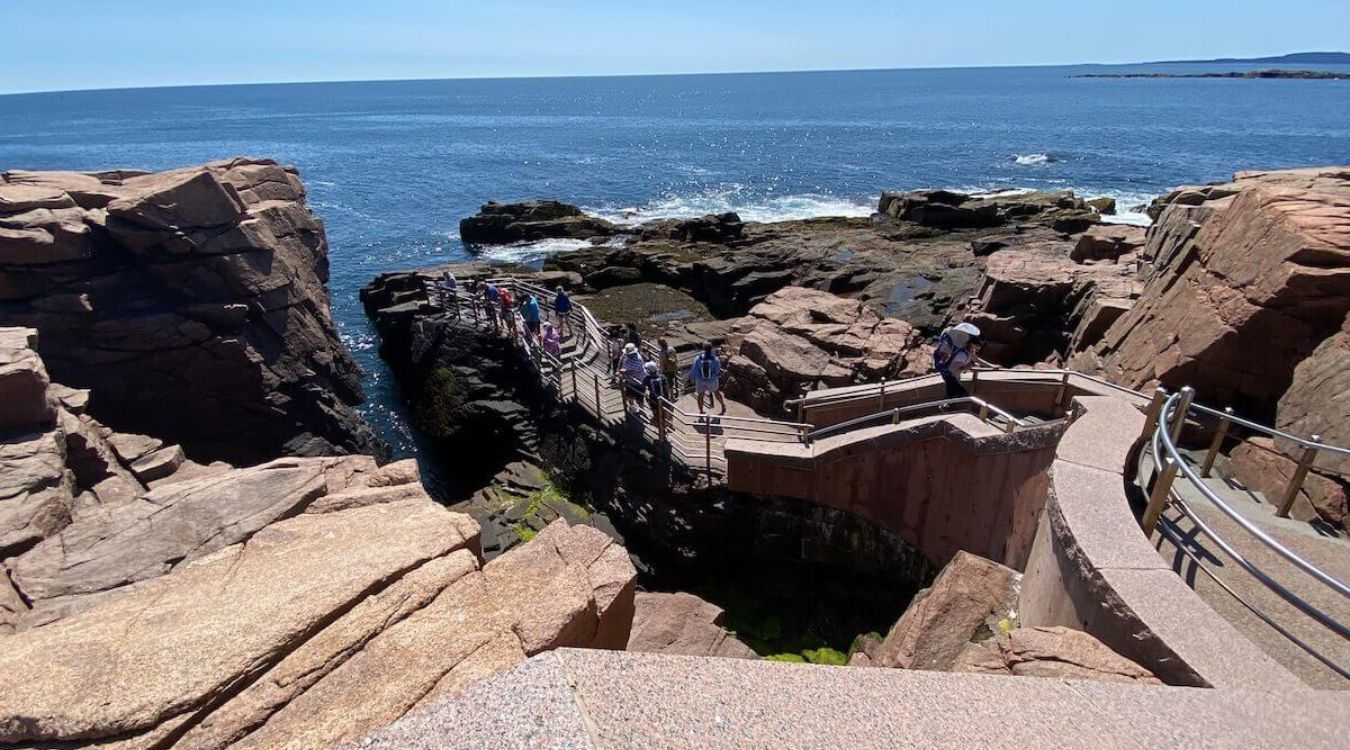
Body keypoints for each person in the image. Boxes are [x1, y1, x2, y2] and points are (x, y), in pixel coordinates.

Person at [933, 322, 982, 400]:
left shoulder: (967, 352)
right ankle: (944, 406)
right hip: (949, 375)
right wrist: (966, 368)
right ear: (972, 344)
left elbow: (976, 359)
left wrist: (992, 366)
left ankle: (945, 405)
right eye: (977, 346)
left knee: (953, 394)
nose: (978, 348)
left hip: (951, 374)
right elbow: (952, 369)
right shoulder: (962, 354)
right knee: (961, 394)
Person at [689, 341, 725, 415]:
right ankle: (722, 405)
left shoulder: (698, 358)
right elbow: (717, 371)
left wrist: (692, 379)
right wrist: (712, 376)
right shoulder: (715, 359)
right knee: (717, 393)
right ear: (711, 349)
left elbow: (694, 370)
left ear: (703, 349)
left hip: (700, 380)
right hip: (712, 381)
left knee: (700, 395)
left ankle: (701, 411)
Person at [642, 361, 669, 435]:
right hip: (663, 399)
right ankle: (664, 427)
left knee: (656, 414)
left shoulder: (647, 378)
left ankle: (661, 428)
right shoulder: (662, 377)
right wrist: (668, 398)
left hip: (653, 400)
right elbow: (667, 388)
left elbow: (643, 386)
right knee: (663, 414)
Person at [618, 342, 646, 412]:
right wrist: (619, 369)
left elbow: (632, 371)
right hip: (629, 381)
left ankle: (642, 410)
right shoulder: (625, 355)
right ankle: (632, 408)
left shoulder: (638, 359)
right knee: (629, 396)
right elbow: (621, 362)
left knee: (639, 398)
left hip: (639, 382)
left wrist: (623, 371)